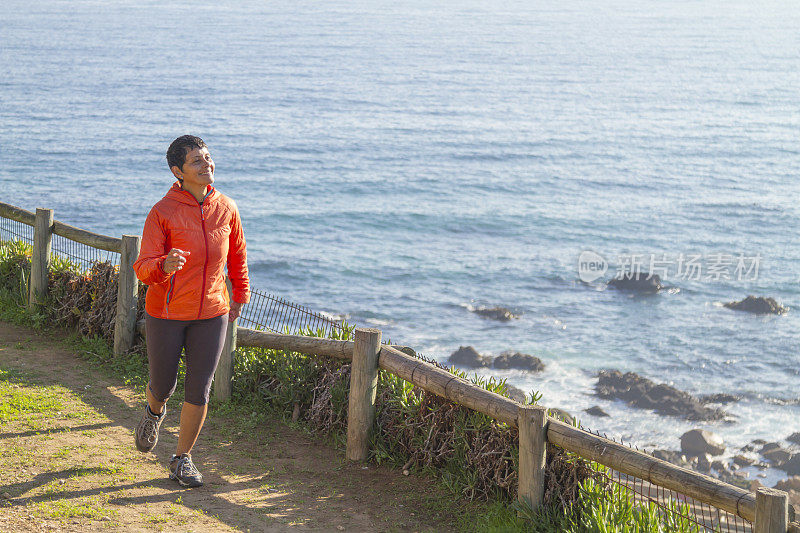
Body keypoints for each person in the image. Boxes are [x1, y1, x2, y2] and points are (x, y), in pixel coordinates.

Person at [132, 135, 250, 487]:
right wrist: (165, 265)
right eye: (197, 161)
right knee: (164, 384)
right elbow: (143, 267)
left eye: (208, 157)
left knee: (200, 389)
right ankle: (154, 411)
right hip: (167, 314)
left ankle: (182, 458)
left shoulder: (227, 207)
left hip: (212, 312)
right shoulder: (162, 212)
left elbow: (237, 256)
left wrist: (240, 294)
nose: (207, 164)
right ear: (178, 171)